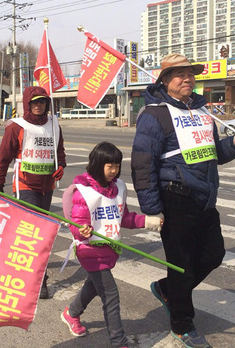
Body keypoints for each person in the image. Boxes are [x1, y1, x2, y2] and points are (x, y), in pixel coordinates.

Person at [131, 53, 235, 348]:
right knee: (182, 266)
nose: (186, 78)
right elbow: (143, 165)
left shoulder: (202, 112)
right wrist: (151, 210)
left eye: (190, 73)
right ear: (164, 81)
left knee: (214, 254)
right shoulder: (155, 115)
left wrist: (234, 145)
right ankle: (182, 326)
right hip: (175, 199)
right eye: (178, 74)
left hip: (205, 197)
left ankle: (168, 289)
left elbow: (215, 154)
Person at [61, 142, 162, 347]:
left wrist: (147, 221)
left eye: (117, 166)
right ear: (98, 165)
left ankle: (71, 313)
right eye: (110, 166)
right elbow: (76, 224)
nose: (114, 171)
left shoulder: (118, 188)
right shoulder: (84, 192)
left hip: (109, 249)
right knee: (111, 296)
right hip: (89, 250)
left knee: (94, 285)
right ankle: (118, 341)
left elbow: (123, 218)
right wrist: (81, 230)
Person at [0, 85, 66, 298]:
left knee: (42, 234)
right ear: (27, 103)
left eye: (42, 102)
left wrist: (61, 165)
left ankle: (30, 274)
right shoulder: (16, 127)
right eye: (34, 102)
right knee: (32, 234)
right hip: (25, 187)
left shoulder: (54, 124)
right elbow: (3, 159)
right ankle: (37, 281)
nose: (39, 105)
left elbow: (59, 151)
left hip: (47, 187)